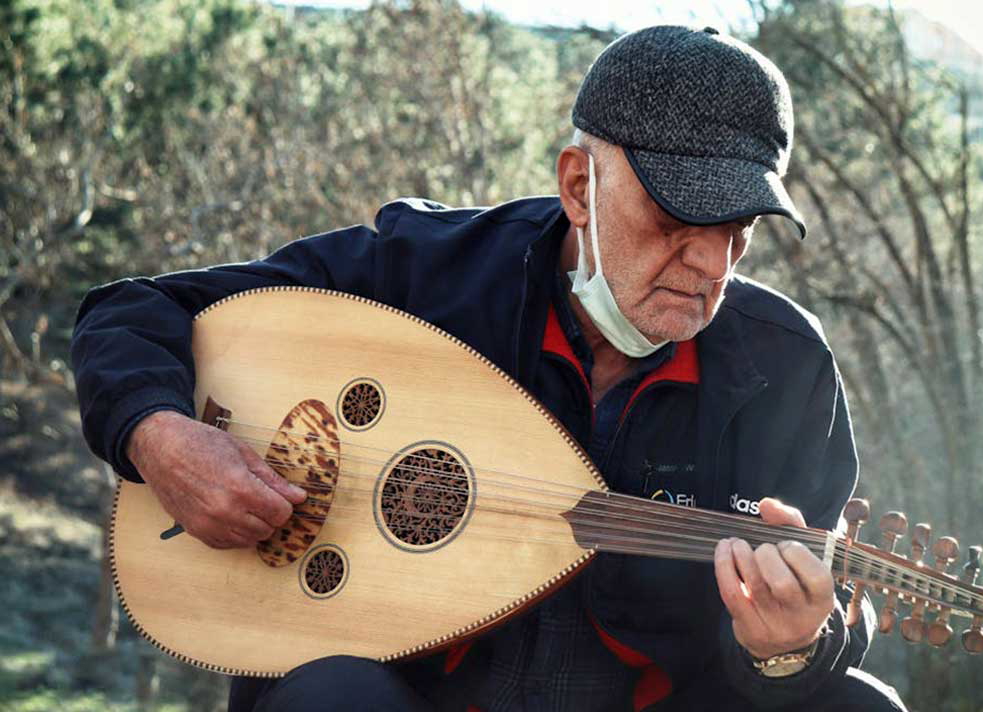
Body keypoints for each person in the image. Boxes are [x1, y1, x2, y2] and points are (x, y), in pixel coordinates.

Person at [72, 25, 906, 712]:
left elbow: (816, 621)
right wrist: (162, 437)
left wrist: (788, 648)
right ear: (580, 185)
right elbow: (131, 314)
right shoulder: (425, 275)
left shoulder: (783, 368)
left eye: (739, 229)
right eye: (679, 216)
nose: (710, 264)